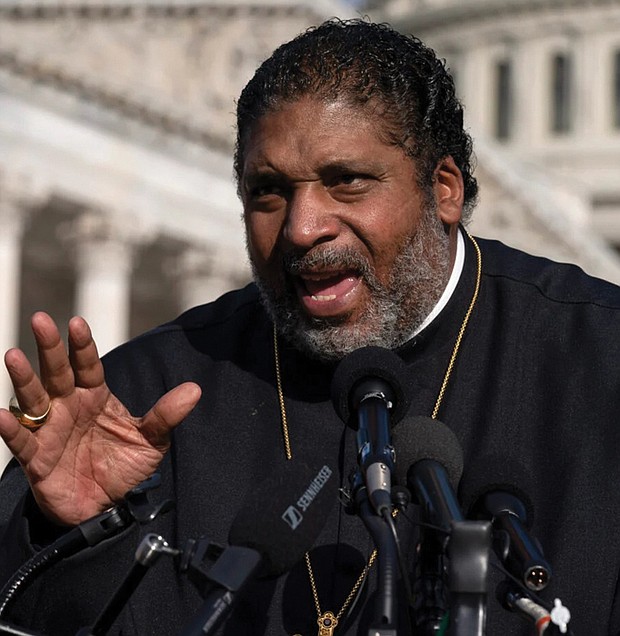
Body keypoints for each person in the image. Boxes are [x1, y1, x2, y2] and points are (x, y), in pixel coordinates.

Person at [0, 17, 620, 636]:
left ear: (444, 189)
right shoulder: (145, 394)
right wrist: (71, 534)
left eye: (346, 181)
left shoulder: (600, 359)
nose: (302, 228)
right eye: (268, 192)